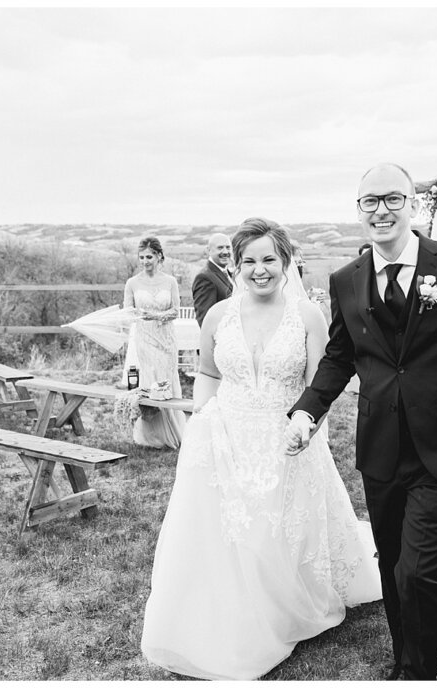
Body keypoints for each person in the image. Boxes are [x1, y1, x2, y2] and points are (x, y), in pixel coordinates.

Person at [285, 163, 437, 680]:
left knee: (418, 569)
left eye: (393, 198)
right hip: (381, 447)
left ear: (413, 203)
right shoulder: (346, 279)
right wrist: (306, 410)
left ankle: (420, 674)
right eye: (370, 201)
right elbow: (340, 357)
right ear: (359, 209)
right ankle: (404, 660)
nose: (381, 210)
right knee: (393, 567)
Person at [141, 218, 382, 680]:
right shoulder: (218, 315)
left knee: (277, 530)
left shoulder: (308, 315)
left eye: (269, 258)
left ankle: (284, 604)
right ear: (235, 265)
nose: (259, 269)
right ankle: (231, 604)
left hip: (287, 436)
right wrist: (201, 423)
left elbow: (320, 382)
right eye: (248, 260)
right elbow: (208, 374)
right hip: (226, 435)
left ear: (286, 261)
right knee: (230, 531)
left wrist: (308, 430)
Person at [122, 237, 186, 449]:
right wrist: (139, 316)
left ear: (159, 256)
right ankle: (152, 435)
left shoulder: (170, 281)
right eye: (141, 257)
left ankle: (173, 431)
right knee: (151, 381)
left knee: (167, 379)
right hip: (145, 339)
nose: (145, 261)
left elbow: (176, 311)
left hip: (166, 339)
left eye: (149, 256)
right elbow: (128, 311)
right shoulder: (132, 283)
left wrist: (157, 316)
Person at [191, 232, 234, 326]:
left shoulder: (229, 274)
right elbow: (205, 321)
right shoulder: (204, 278)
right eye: (220, 248)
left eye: (228, 247)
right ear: (209, 250)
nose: (225, 252)